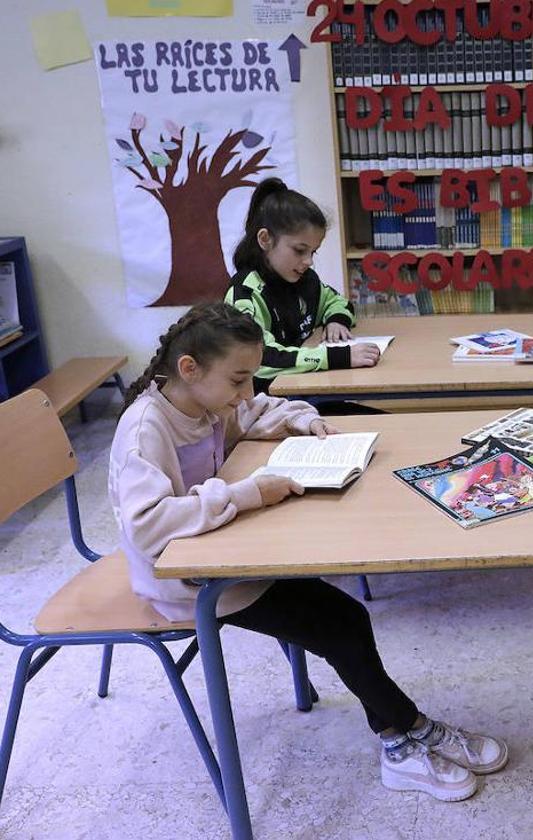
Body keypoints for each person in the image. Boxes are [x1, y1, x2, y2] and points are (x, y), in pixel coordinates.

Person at [109, 302, 506, 802]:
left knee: (341, 615)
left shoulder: (205, 402)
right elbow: (148, 527)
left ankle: (403, 736)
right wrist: (247, 492)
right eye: (238, 379)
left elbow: (252, 413)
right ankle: (408, 732)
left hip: (224, 550)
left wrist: (301, 420)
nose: (245, 392)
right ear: (189, 369)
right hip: (184, 582)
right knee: (341, 624)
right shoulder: (145, 429)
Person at [225, 177, 380, 396]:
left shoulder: (305, 279)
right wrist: (339, 357)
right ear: (265, 239)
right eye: (299, 250)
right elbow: (259, 357)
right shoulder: (245, 293)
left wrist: (336, 321)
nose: (308, 261)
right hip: (267, 404)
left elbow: (338, 302)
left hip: (305, 388)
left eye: (313, 252)